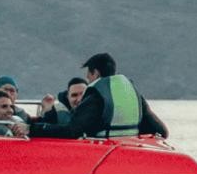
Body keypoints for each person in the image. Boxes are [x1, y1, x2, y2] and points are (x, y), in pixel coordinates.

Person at [31, 53, 168, 140]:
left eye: (88, 77)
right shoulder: (133, 94)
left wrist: (33, 129)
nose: (89, 81)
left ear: (95, 73)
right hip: (129, 147)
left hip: (101, 152)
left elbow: (72, 131)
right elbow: (161, 131)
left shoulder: (96, 95)